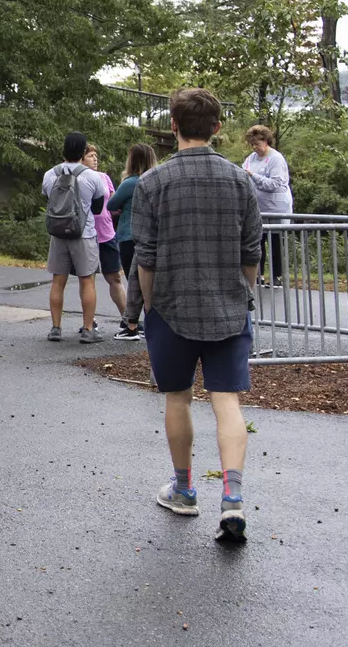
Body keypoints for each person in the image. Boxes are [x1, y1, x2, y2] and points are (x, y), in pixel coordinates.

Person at [131, 87, 260, 544]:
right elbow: (251, 252)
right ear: (217, 128)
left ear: (173, 127)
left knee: (178, 398)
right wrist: (244, 292)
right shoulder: (240, 180)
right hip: (228, 306)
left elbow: (146, 257)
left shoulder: (152, 183)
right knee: (227, 401)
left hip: (172, 305)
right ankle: (233, 496)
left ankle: (185, 489)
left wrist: (150, 305)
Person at [42, 131, 109, 344]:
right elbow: (97, 208)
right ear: (82, 152)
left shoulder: (50, 174)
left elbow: (48, 200)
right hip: (84, 234)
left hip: (58, 233)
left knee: (58, 280)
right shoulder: (92, 177)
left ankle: (55, 328)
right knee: (87, 280)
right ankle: (88, 329)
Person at [107, 144, 157, 339]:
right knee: (149, 284)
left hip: (129, 236)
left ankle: (132, 326)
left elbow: (111, 204)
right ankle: (149, 324)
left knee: (135, 282)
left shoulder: (131, 183)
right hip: (151, 235)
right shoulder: (155, 181)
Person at [81, 144, 128, 334]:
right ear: (81, 159)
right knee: (88, 280)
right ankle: (89, 322)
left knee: (114, 277)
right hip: (86, 235)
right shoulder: (79, 179)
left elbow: (115, 202)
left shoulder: (104, 177)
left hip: (107, 234)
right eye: (91, 156)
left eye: (96, 156)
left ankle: (128, 320)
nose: (95, 159)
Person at [241, 126, 293, 284]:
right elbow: (243, 172)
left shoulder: (276, 159)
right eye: (252, 144)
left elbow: (275, 184)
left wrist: (253, 176)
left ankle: (277, 276)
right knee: (257, 241)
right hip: (258, 208)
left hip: (276, 209)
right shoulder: (251, 158)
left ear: (266, 141)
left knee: (275, 243)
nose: (255, 147)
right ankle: (259, 274)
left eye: (257, 144)